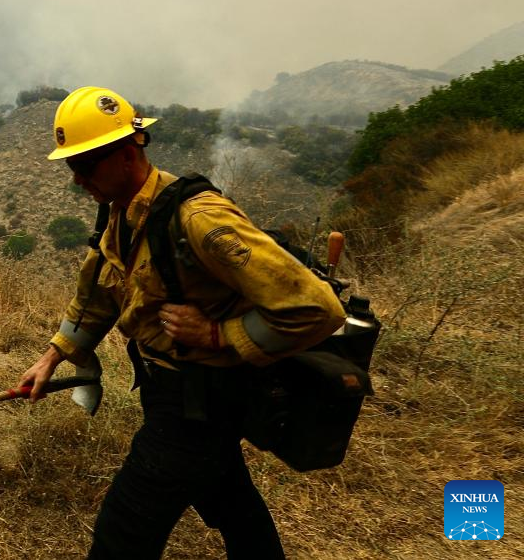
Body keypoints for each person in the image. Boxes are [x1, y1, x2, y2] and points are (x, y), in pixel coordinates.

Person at [19, 86, 346, 559]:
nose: (77, 179)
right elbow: (98, 293)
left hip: (199, 403)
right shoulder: (121, 214)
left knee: (123, 533)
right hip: (170, 391)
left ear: (127, 155)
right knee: (231, 503)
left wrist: (218, 334)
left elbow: (316, 308)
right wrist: (53, 357)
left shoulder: (199, 219)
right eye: (72, 167)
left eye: (85, 166)